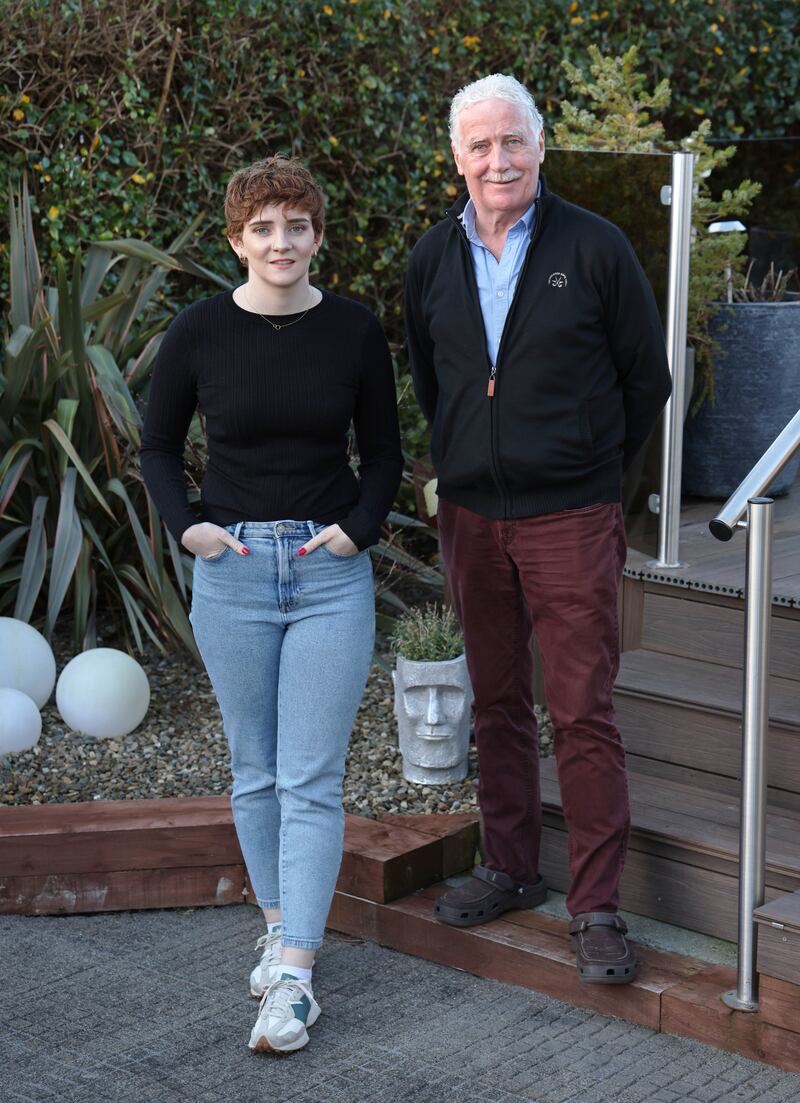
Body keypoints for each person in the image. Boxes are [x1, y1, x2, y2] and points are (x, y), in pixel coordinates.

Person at [405, 74, 672, 984]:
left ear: (541, 147)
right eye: (478, 146)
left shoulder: (594, 247)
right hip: (474, 518)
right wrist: (464, 461)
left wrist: (598, 480)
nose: (497, 160)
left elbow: (648, 381)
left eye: (512, 141)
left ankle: (596, 906)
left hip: (571, 516)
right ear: (457, 158)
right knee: (495, 700)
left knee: (582, 713)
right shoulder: (430, 259)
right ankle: (510, 867)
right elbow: (433, 380)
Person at [140, 155, 402, 1049]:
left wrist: (356, 531)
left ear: (317, 236)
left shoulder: (355, 331)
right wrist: (192, 531)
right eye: (263, 227)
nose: (280, 241)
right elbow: (158, 447)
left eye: (296, 225)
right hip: (236, 570)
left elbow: (387, 454)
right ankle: (278, 921)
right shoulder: (200, 332)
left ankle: (296, 974)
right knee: (253, 768)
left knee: (311, 776)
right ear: (236, 240)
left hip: (329, 573)